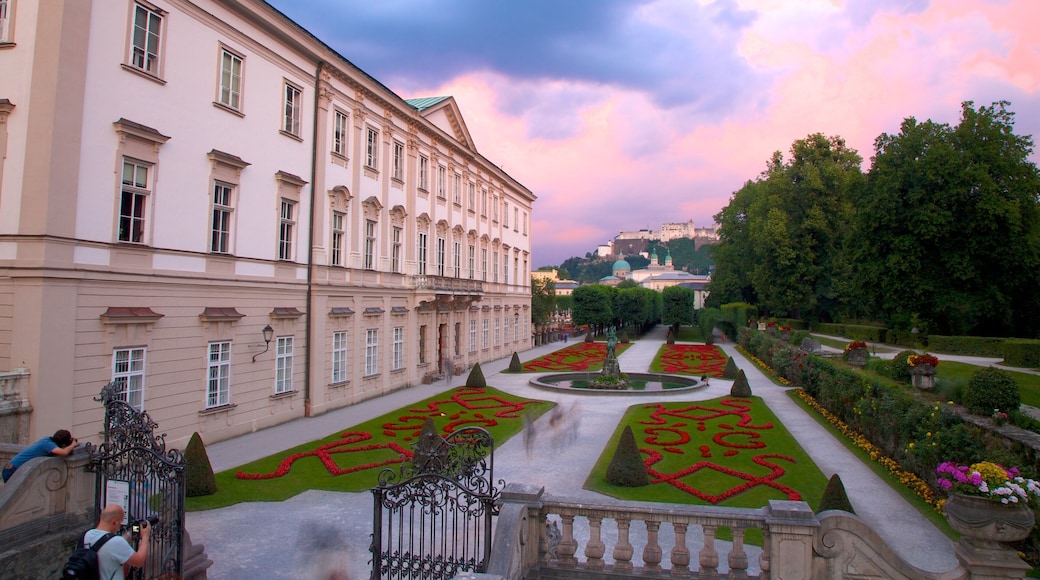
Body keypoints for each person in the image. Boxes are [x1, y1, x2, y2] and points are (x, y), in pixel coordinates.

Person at [83, 504, 150, 580]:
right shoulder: (116, 542)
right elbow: (139, 561)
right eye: (120, 522)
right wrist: (145, 537)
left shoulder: (86, 536)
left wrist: (128, 534)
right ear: (115, 522)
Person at [2, 429, 78, 483]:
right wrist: (73, 444)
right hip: (13, 470)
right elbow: (64, 453)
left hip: (9, 468)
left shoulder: (46, 439)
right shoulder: (48, 445)